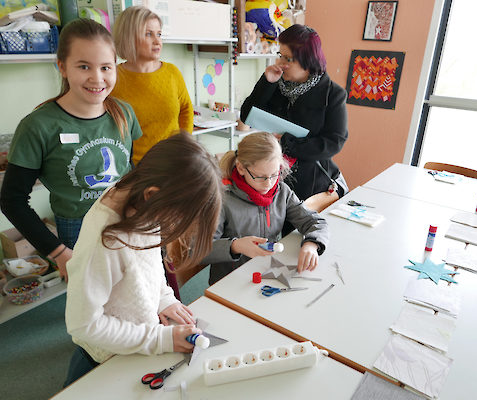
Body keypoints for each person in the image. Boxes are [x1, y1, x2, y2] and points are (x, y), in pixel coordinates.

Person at [64, 133, 223, 385]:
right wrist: (161, 339)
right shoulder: (107, 240)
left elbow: (148, 263)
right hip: (104, 361)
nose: (174, 228)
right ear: (153, 195)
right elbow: (83, 324)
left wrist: (163, 299)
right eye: (179, 220)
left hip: (137, 345)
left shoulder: (145, 202)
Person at [0, 19, 142, 280]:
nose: (97, 78)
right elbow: (12, 200)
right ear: (62, 67)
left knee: (132, 288)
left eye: (106, 67)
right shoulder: (38, 126)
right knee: (91, 305)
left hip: (124, 217)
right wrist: (58, 252)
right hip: (77, 227)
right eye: (84, 66)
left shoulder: (124, 113)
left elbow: (129, 169)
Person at [202, 132, 329, 285]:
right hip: (230, 282)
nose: (269, 184)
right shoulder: (222, 199)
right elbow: (198, 251)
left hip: (266, 273)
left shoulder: (281, 191)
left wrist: (312, 244)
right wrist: (235, 246)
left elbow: (316, 221)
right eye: (261, 177)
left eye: (275, 174)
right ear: (241, 168)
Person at [240, 24, 349, 202]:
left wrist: (287, 143)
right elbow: (246, 116)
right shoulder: (276, 83)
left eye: (288, 59)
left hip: (310, 183)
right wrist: (266, 83)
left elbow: (334, 142)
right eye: (280, 55)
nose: (281, 63)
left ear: (308, 61)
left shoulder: (333, 94)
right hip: (270, 176)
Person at [111, 5, 194, 166]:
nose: (157, 41)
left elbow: (186, 110)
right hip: (135, 167)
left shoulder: (172, 72)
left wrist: (184, 146)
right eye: (148, 34)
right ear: (129, 37)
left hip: (174, 160)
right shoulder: (113, 78)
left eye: (159, 34)